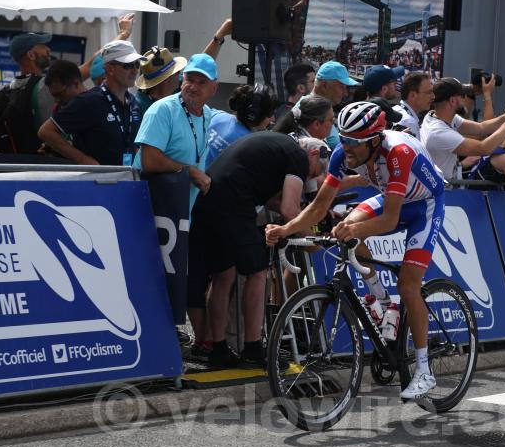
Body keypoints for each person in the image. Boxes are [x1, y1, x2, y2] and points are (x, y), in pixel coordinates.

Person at [266, 101, 450, 398]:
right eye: (343, 138)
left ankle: (424, 370)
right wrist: (285, 230)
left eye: (354, 142)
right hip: (394, 198)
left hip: (425, 206)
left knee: (408, 285)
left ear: (375, 140)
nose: (346, 147)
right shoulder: (344, 153)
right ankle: (380, 299)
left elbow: (390, 217)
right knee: (349, 223)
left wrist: (353, 230)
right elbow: (319, 205)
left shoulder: (398, 154)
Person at [189, 133, 327, 368]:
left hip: (208, 203)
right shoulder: (297, 155)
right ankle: (253, 349)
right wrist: (311, 238)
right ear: (313, 154)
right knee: (257, 272)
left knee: (223, 275)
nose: (309, 179)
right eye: (312, 173)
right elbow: (288, 210)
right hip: (232, 204)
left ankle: (218, 348)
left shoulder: (277, 146)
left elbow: (270, 198)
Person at [38, 40, 143, 166]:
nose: (135, 70)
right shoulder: (89, 101)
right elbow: (46, 131)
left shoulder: (133, 102)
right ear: (110, 69)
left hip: (127, 178)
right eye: (128, 65)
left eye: (137, 64)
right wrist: (82, 159)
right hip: (96, 181)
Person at [133, 53, 218, 208]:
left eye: (202, 82)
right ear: (182, 79)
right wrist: (190, 172)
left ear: (214, 88)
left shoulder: (207, 113)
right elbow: (149, 161)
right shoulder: (162, 110)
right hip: (149, 209)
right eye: (190, 80)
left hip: (181, 212)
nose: (193, 87)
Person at [419, 76, 505, 183]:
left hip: (444, 183)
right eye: (462, 95)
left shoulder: (435, 115)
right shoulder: (438, 133)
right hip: (442, 189)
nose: (465, 97)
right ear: (452, 101)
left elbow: (481, 128)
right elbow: (484, 148)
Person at [203, 84, 278, 167]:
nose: (273, 119)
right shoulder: (251, 144)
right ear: (254, 115)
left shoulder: (217, 115)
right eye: (270, 114)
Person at [311, 60, 359, 148]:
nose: (345, 93)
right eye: (342, 87)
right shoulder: (309, 112)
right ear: (324, 86)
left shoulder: (318, 108)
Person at [133, 46, 186, 117]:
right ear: (166, 80)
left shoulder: (176, 85)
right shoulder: (139, 107)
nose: (180, 75)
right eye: (177, 71)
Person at [273, 63, 315, 127]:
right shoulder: (291, 117)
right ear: (301, 88)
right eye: (313, 81)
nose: (316, 85)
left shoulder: (284, 111)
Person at [392, 71, 434, 137]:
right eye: (429, 92)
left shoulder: (396, 110)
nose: (433, 97)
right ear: (412, 95)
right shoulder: (408, 122)